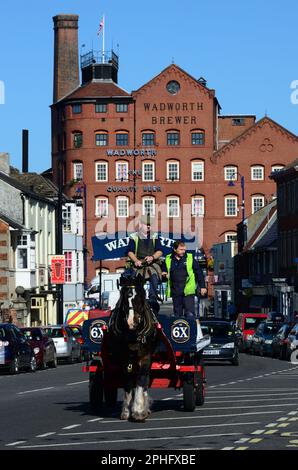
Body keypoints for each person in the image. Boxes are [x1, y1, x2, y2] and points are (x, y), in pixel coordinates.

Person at [162, 240, 207, 318]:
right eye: (181, 250)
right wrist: (164, 273)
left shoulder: (190, 257)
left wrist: (202, 286)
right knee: (177, 315)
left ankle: (191, 329)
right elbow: (164, 269)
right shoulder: (168, 258)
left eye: (184, 250)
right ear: (175, 249)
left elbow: (199, 273)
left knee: (189, 314)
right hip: (175, 291)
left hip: (188, 291)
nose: (183, 251)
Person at [127, 215, 163, 305]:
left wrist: (153, 257)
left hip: (152, 263)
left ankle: (153, 298)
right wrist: (136, 261)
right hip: (139, 264)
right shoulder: (134, 236)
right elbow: (130, 252)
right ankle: (139, 297)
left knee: (154, 276)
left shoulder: (155, 236)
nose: (148, 226)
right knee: (136, 279)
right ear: (140, 225)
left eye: (149, 225)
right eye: (146, 224)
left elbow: (160, 251)